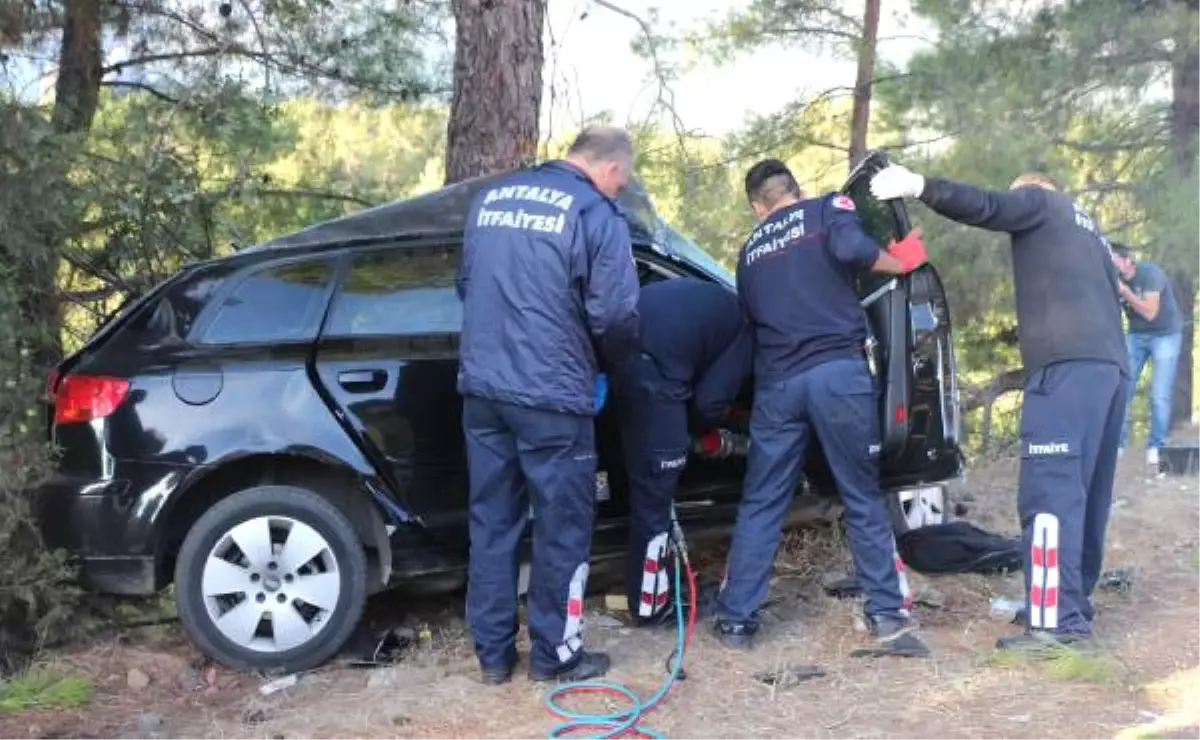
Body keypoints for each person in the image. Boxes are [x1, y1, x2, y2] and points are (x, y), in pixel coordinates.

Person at [870, 164, 1128, 651]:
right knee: (1086, 494)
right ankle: (1068, 605)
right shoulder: (1088, 230)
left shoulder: (1042, 201)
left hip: (1065, 369)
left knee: (1049, 494)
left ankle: (1057, 627)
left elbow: (989, 206)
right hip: (1108, 370)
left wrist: (920, 186)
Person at [715, 159, 930, 656]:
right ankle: (885, 615)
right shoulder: (827, 208)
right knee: (859, 493)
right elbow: (853, 248)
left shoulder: (749, 253)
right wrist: (900, 261)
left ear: (757, 206)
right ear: (794, 188)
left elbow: (750, 323)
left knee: (764, 501)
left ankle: (737, 623)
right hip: (837, 374)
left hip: (778, 386)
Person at [456, 126, 641, 684]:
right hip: (554, 395)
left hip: (484, 389)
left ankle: (492, 656)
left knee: (492, 522)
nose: (619, 191)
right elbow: (616, 315)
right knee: (562, 527)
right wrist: (609, 367)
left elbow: (466, 284)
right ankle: (555, 656)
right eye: (621, 183)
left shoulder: (492, 199)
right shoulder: (594, 214)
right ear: (609, 169)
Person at [612, 277, 752, 625]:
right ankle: (652, 608)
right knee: (656, 492)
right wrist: (707, 428)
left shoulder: (720, 300)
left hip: (620, 357)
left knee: (646, 484)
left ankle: (659, 586)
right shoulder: (751, 329)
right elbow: (709, 402)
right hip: (654, 373)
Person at [1110, 243, 1183, 469]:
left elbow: (1150, 313)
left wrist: (1123, 291)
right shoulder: (1111, 279)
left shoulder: (1150, 274)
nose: (1109, 262)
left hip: (1165, 335)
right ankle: (1118, 444)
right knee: (1122, 387)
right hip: (1136, 336)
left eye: (1111, 258)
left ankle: (1156, 446)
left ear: (1125, 260)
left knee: (1159, 394)